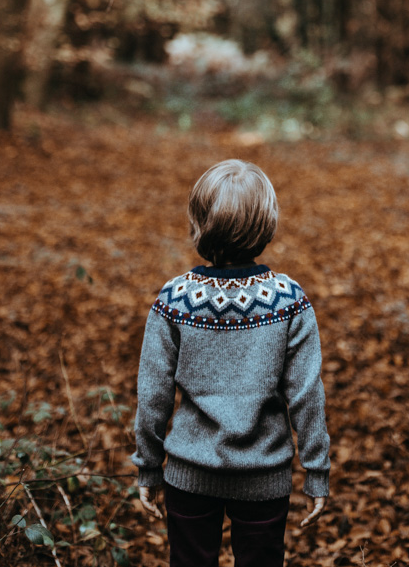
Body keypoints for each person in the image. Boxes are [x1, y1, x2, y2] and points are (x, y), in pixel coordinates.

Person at [132, 159, 330, 567]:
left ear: (199, 221)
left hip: (189, 473)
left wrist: (148, 467)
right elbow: (307, 394)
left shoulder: (175, 299)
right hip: (264, 475)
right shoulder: (288, 299)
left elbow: (153, 393)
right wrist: (316, 471)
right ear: (265, 223)